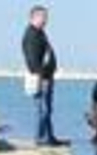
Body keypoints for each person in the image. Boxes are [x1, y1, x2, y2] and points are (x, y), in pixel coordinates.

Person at [20, 6, 64, 146]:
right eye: (43, 17)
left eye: (46, 17)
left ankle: (49, 136)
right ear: (34, 17)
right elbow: (32, 60)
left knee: (47, 109)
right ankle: (40, 138)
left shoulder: (40, 33)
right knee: (43, 109)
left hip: (46, 76)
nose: (46, 20)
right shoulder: (31, 35)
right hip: (40, 78)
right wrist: (41, 76)